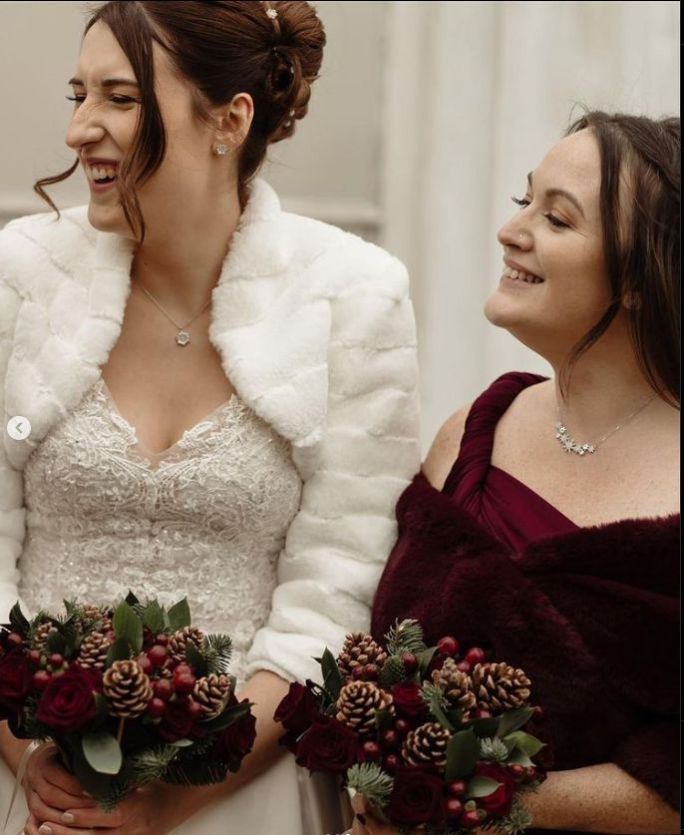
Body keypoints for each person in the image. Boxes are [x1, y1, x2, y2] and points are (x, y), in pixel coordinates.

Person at [0, 2, 420, 834]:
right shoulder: (20, 273)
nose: (82, 128)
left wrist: (174, 798)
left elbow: (337, 588)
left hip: (241, 784)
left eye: (119, 98)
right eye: (77, 95)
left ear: (230, 119)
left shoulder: (354, 296)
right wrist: (33, 758)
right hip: (25, 774)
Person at [358, 112, 680, 834]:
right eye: (523, 201)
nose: (512, 231)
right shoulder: (473, 432)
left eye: (557, 219)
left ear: (640, 278)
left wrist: (490, 801)